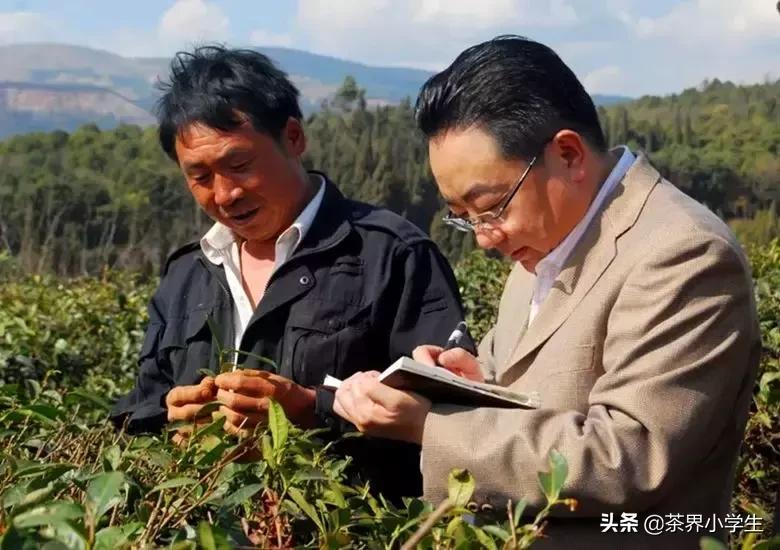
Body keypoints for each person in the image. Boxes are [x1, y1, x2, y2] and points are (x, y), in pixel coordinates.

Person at [333, 35, 761, 547]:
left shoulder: (682, 252)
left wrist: (432, 425)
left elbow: (627, 456)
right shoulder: (547, 234)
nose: (486, 236)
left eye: (490, 206)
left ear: (568, 153)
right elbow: (540, 390)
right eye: (463, 217)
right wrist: (468, 382)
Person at [110, 45, 472, 500]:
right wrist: (168, 415)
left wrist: (309, 410)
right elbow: (137, 408)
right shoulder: (187, 273)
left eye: (239, 165)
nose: (224, 194)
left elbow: (453, 420)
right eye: (199, 176)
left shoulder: (392, 254)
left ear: (294, 138)